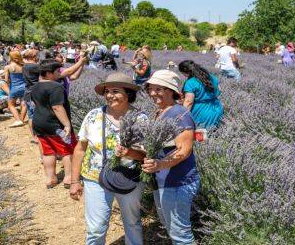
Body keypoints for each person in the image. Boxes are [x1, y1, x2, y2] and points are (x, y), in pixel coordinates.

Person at [69, 72, 145, 245]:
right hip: (95, 177)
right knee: (96, 228)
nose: (110, 95)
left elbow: (147, 155)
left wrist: (129, 153)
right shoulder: (93, 116)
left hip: (129, 177)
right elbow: (80, 149)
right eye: (107, 91)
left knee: (132, 223)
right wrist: (74, 181)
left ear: (128, 94)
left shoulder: (140, 119)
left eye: (116, 91)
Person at [142, 70, 200, 245]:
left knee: (180, 235)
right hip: (164, 180)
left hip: (178, 182)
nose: (153, 93)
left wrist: (159, 164)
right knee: (172, 228)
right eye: (150, 89)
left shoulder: (179, 114)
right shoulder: (160, 112)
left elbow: (184, 150)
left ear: (170, 90)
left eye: (159, 89)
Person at [32, 59, 77, 188]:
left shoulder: (35, 86)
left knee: (48, 152)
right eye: (57, 71)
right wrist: (67, 125)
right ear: (48, 73)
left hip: (39, 123)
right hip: (56, 125)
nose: (60, 72)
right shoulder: (56, 86)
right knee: (67, 150)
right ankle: (69, 178)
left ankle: (50, 178)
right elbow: (57, 107)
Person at [178, 60, 223, 130]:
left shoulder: (190, 82)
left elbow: (189, 102)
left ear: (185, 72)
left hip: (201, 112)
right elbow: (219, 90)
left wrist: (182, 116)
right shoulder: (212, 77)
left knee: (200, 136)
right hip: (216, 108)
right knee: (215, 133)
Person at [4, 51, 27, 127]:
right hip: (24, 87)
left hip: (14, 87)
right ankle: (22, 120)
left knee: (11, 105)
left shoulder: (8, 67)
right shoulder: (24, 66)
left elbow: (6, 80)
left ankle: (17, 120)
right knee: (24, 104)